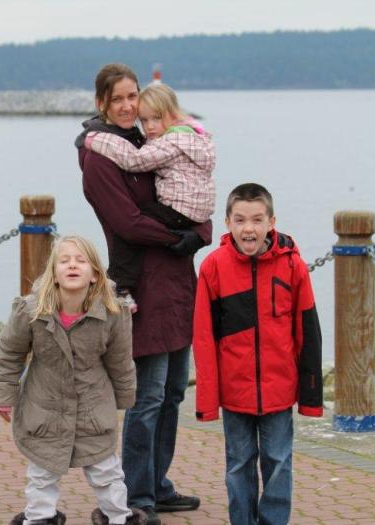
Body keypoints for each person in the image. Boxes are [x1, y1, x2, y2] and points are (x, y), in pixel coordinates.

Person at [75, 63, 209, 525]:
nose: (128, 106)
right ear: (101, 103)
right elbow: (127, 223)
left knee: (173, 392)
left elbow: (191, 190)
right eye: (118, 99)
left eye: (133, 96)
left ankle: (158, 484)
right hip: (141, 286)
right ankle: (135, 495)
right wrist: (178, 237)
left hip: (178, 281)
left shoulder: (150, 140)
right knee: (147, 396)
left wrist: (200, 232)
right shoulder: (99, 158)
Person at [0, 235, 147, 525]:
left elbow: (121, 361)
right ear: (53, 273)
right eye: (64, 261)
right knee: (42, 473)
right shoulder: (31, 310)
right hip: (44, 407)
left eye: (80, 261)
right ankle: (39, 518)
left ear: (95, 274)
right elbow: (9, 353)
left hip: (92, 407)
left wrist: (125, 398)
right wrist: (3, 396)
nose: (72, 265)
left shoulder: (113, 313)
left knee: (107, 472)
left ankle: (118, 516)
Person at [193, 183, 323, 525]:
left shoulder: (293, 266)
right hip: (235, 392)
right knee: (238, 465)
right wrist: (208, 402)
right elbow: (204, 339)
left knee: (279, 463)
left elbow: (308, 332)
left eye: (256, 219)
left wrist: (310, 397)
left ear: (271, 222)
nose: (248, 228)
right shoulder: (213, 267)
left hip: (279, 391)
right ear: (227, 223)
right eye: (239, 220)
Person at [83, 82, 216, 312]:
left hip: (177, 211)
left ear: (172, 115)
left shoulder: (169, 142)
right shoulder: (193, 138)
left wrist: (95, 139)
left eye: (156, 118)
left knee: (130, 225)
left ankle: (121, 287)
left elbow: (135, 160)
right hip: (196, 213)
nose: (150, 127)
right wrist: (199, 234)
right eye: (144, 121)